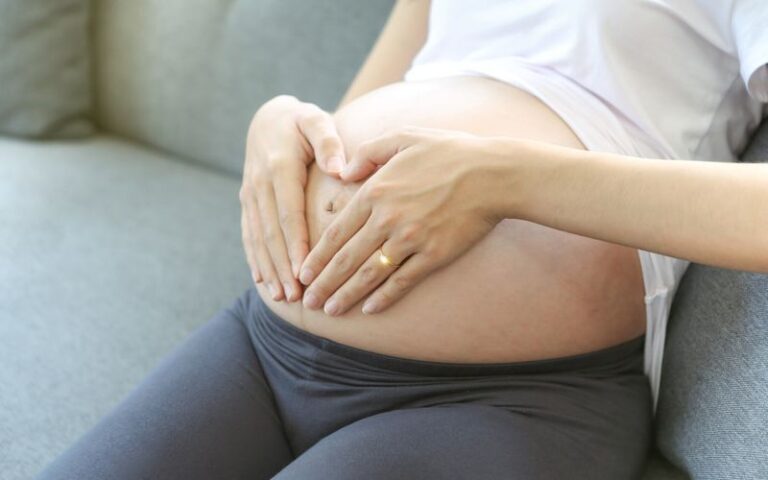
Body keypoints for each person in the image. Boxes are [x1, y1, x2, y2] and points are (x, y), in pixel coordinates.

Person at [37, 1, 768, 479]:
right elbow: (358, 124)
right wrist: (282, 126)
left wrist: (505, 181)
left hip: (508, 400)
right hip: (267, 347)